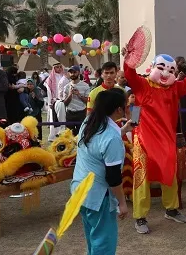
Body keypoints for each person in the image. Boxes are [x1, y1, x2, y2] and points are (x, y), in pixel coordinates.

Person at [122, 50, 186, 235]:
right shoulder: (142, 85)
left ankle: (171, 209)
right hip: (144, 139)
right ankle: (140, 216)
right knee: (141, 178)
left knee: (169, 173)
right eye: (161, 68)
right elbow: (129, 73)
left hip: (166, 140)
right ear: (153, 67)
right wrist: (129, 59)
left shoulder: (174, 88)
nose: (165, 73)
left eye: (170, 71)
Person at [72, 90, 131, 255]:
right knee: (104, 244)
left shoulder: (89, 122)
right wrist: (122, 203)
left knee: (93, 239)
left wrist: (123, 130)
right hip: (98, 197)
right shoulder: (111, 137)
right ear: (119, 110)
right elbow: (113, 177)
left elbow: (99, 144)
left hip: (81, 191)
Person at [63, 65, 91, 135]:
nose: (72, 74)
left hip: (81, 113)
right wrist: (70, 94)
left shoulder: (85, 86)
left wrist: (79, 95)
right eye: (71, 72)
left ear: (78, 73)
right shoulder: (66, 87)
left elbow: (88, 101)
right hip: (70, 113)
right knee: (69, 135)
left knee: (82, 134)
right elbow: (65, 103)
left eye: (74, 72)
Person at [45, 63, 67, 141]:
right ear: (54, 68)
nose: (59, 68)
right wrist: (50, 101)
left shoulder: (64, 76)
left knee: (63, 117)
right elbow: (49, 91)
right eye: (57, 67)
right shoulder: (50, 78)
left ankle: (63, 133)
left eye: (60, 67)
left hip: (64, 100)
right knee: (54, 118)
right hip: (54, 100)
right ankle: (53, 136)